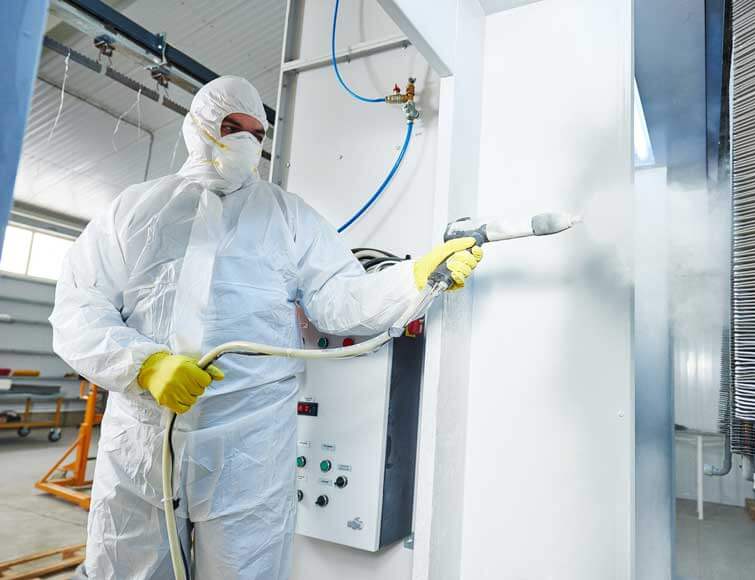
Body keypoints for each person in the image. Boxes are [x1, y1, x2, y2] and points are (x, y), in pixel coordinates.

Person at [50, 76, 482, 579]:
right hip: (143, 436)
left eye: (255, 133)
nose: (243, 142)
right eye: (230, 127)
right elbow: (79, 305)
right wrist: (143, 365)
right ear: (198, 127)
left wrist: (413, 278)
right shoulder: (133, 210)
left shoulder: (287, 215)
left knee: (246, 571)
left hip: (249, 443)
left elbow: (340, 299)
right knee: (127, 568)